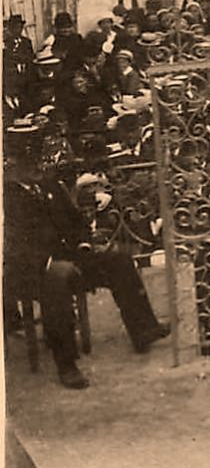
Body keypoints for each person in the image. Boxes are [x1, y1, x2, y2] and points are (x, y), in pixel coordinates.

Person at [2, 131, 169, 387]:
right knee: (57, 278)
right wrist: (46, 262)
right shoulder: (6, 197)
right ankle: (66, 364)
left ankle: (143, 330)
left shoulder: (48, 185)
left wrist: (83, 242)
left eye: (35, 158)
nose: (34, 166)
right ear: (11, 162)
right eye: (26, 161)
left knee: (119, 260)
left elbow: (76, 221)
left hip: (69, 257)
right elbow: (9, 245)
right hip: (30, 271)